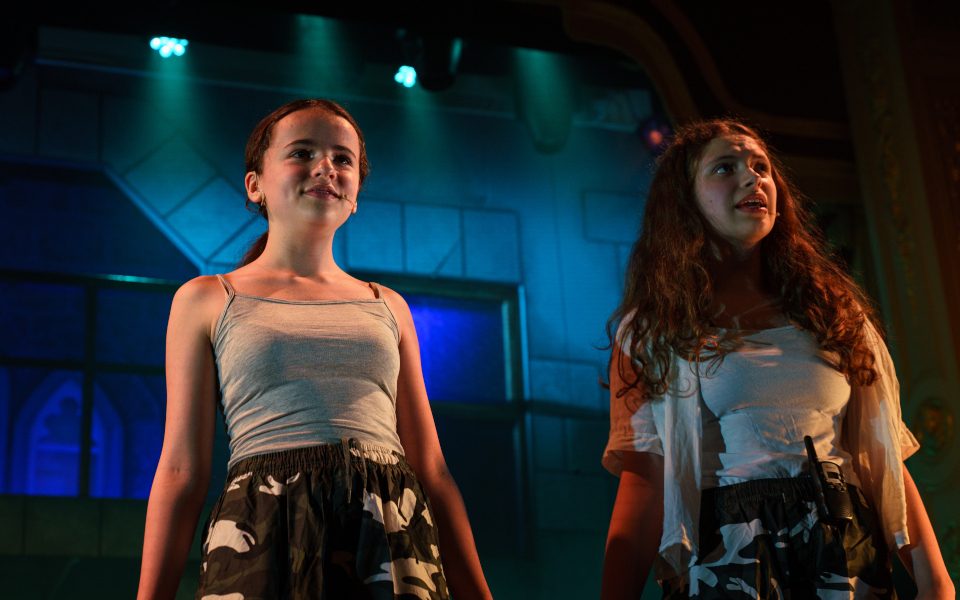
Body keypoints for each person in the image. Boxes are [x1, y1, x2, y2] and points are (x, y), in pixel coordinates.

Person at [138, 98, 492, 600]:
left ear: (355, 195)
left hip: (388, 531)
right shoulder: (206, 299)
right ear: (255, 184)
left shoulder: (388, 305)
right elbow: (181, 470)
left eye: (342, 158)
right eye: (302, 152)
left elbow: (432, 468)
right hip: (263, 532)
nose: (325, 166)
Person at [600, 119, 953, 599]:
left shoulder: (832, 313)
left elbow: (879, 456)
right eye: (725, 168)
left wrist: (936, 581)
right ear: (684, 201)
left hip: (844, 543)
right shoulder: (652, 331)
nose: (752, 179)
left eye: (761, 167)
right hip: (729, 552)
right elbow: (644, 482)